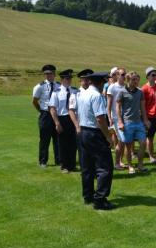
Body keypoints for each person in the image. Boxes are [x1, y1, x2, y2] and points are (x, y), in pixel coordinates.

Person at [77, 71, 115, 210]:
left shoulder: (82, 93)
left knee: (87, 166)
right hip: (94, 133)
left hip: (84, 131)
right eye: (104, 83)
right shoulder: (96, 96)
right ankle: (100, 199)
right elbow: (100, 119)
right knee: (104, 167)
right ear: (100, 83)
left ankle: (88, 196)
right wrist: (108, 137)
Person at [116, 72, 151, 174]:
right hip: (127, 123)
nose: (136, 81)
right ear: (128, 80)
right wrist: (120, 122)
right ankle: (130, 166)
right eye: (133, 79)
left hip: (138, 122)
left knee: (143, 143)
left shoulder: (140, 92)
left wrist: (145, 120)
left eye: (137, 79)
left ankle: (140, 165)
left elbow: (143, 107)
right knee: (129, 146)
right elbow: (117, 107)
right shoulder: (122, 92)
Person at [48, 69, 79, 173]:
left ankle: (72, 164)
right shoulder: (56, 92)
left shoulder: (75, 91)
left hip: (73, 118)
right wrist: (57, 123)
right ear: (62, 79)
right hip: (62, 118)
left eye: (70, 78)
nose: (69, 80)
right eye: (67, 78)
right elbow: (52, 108)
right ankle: (64, 165)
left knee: (73, 143)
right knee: (63, 143)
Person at [32, 64, 60, 168]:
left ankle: (59, 160)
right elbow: (34, 101)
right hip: (45, 115)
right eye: (46, 74)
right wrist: (41, 111)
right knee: (44, 139)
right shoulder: (40, 86)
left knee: (57, 138)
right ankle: (43, 161)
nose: (48, 76)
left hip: (57, 115)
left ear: (54, 74)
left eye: (50, 73)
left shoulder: (59, 86)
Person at [106, 67, 127, 169]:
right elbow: (109, 104)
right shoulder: (112, 88)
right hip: (116, 118)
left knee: (123, 141)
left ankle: (120, 161)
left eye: (125, 74)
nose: (124, 76)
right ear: (117, 76)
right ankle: (117, 163)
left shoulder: (127, 87)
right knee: (121, 140)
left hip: (126, 118)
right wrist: (109, 118)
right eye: (122, 74)